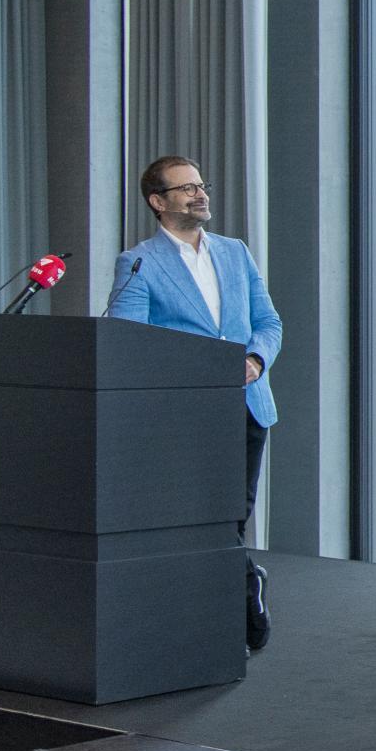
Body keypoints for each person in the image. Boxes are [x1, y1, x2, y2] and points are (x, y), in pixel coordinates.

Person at [107, 157, 284, 654]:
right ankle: (241, 597)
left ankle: (236, 596)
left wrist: (254, 359)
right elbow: (128, 340)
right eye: (185, 188)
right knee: (197, 517)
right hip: (182, 414)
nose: (200, 194)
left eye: (201, 184)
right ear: (158, 202)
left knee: (232, 516)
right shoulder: (138, 262)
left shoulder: (235, 253)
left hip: (246, 404)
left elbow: (269, 323)